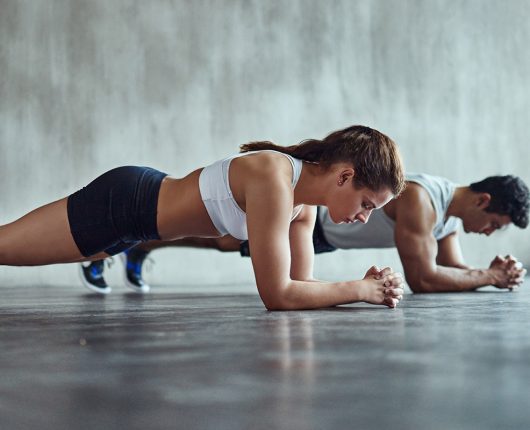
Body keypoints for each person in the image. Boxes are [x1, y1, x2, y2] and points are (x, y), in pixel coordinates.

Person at [2, 125, 407, 310]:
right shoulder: (274, 177)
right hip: (122, 205)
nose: (364, 218)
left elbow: (300, 286)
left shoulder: (302, 209)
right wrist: (358, 290)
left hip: (131, 230)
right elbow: (278, 296)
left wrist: (365, 287)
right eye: (368, 204)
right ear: (346, 176)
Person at [85, 173, 528, 293]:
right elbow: (426, 279)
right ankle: (125, 244)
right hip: (317, 217)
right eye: (495, 226)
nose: (489, 234)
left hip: (327, 237)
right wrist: (487, 278)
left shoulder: (450, 218)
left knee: (221, 241)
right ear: (485, 203)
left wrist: (491, 273)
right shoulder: (421, 200)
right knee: (219, 235)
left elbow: (451, 270)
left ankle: (137, 247)